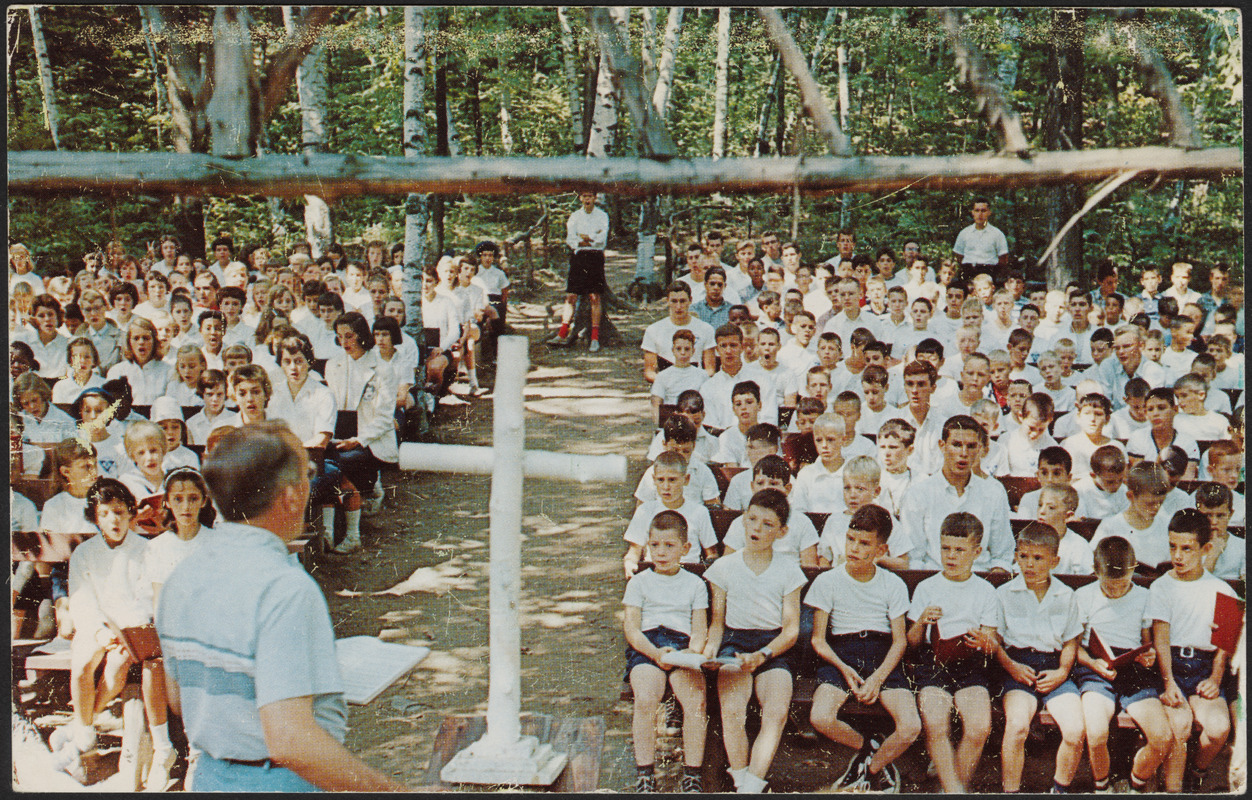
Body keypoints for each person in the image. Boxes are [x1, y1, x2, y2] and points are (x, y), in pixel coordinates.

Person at [153, 422, 405, 791]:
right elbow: (292, 742)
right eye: (308, 475)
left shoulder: (180, 578)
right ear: (290, 496)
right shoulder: (284, 589)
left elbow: (179, 698)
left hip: (212, 776)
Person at [56, 478, 175, 789]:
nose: (114, 520)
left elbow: (145, 597)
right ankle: (84, 734)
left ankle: (84, 720)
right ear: (96, 517)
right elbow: (81, 599)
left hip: (130, 628)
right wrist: (98, 632)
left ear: (131, 514)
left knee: (118, 665)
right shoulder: (84, 552)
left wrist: (122, 632)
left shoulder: (145, 549)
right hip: (96, 626)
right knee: (82, 665)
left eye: (120, 512)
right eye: (106, 513)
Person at [807, 504, 920, 792]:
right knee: (820, 716)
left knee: (910, 727)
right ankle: (868, 746)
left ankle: (869, 769)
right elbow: (818, 639)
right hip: (840, 654)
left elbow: (900, 640)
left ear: (881, 550)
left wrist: (877, 678)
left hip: (883, 656)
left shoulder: (892, 584)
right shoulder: (827, 580)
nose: (854, 548)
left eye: (864, 543)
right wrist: (843, 669)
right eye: (850, 539)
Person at [702, 489, 806, 794]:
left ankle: (753, 785)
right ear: (743, 520)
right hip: (734, 644)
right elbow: (717, 624)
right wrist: (710, 653)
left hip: (774, 648)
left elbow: (790, 631)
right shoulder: (723, 568)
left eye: (767, 524)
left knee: (775, 711)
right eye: (751, 520)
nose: (756, 529)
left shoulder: (789, 570)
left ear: (782, 531)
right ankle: (740, 780)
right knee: (732, 710)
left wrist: (762, 655)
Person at [1071, 535, 1175, 792]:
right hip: (1095, 667)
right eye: (1110, 586)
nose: (1116, 591)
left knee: (1162, 737)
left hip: (1133, 669)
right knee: (1095, 733)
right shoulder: (1084, 596)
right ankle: (1102, 786)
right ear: (1096, 573)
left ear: (1133, 571)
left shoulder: (1143, 596)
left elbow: (1146, 643)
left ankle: (1135, 783)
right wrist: (1094, 664)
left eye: (1122, 584)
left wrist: (1147, 656)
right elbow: (1073, 647)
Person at [906, 512, 999, 793]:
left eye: (960, 550)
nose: (951, 556)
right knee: (936, 723)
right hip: (933, 663)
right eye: (946, 548)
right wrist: (922, 621)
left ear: (977, 552)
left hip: (970, 665)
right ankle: (955, 791)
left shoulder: (984, 591)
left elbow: (992, 643)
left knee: (979, 728)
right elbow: (912, 643)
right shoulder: (927, 587)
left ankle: (951, 786)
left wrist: (983, 640)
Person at [1147, 508, 1238, 792]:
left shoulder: (1223, 590)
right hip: (1170, 665)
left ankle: (1197, 771)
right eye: (1173, 547)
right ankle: (1170, 785)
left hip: (1203, 668)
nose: (1178, 556)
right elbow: (1160, 638)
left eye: (1187, 549)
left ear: (1206, 548)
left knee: (1218, 729)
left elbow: (1223, 647)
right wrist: (1168, 681)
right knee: (1179, 725)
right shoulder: (1162, 587)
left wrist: (1214, 678)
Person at [994, 522, 1086, 793]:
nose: (1029, 565)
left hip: (1054, 669)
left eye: (1038, 558)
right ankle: (1010, 790)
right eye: (1023, 556)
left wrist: (1062, 671)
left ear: (1054, 561)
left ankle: (1059, 788)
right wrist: (1012, 667)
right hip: (1017, 667)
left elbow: (1071, 641)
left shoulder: (1065, 595)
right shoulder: (1004, 594)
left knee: (1074, 729)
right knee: (1018, 726)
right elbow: (995, 642)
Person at [622, 510, 709, 793]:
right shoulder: (639, 582)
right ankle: (646, 774)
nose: (660, 552)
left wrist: (685, 655)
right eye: (655, 545)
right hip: (648, 646)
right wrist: (657, 654)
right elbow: (632, 630)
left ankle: (692, 774)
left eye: (669, 545)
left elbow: (699, 631)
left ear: (685, 548)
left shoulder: (695, 584)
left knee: (696, 701)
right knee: (646, 698)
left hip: (682, 647)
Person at [900, 415, 1014, 573]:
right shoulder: (918, 493)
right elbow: (914, 558)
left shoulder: (993, 492)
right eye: (956, 445)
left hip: (980, 580)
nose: (964, 453)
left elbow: (1002, 555)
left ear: (979, 449)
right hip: (933, 581)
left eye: (971, 446)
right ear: (942, 445)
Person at [326, 311, 398, 532]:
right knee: (322, 463)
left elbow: (385, 419)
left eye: (349, 336)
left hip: (369, 438)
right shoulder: (334, 364)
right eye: (340, 336)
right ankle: (331, 529)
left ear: (361, 335)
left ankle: (351, 530)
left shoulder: (383, 369)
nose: (344, 342)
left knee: (337, 464)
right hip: (340, 431)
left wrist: (357, 440)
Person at [622, 451, 718, 577]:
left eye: (672, 480)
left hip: (689, 574)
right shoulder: (645, 511)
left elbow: (712, 553)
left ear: (686, 479)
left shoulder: (699, 512)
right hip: (654, 571)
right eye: (660, 480)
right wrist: (630, 562)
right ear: (654, 480)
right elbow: (634, 551)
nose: (666, 486)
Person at [1090, 461, 1172, 572]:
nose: (1156, 508)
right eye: (1149, 503)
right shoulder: (1110, 526)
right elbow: (1093, 564)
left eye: (1160, 502)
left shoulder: (1168, 525)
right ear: (1131, 496)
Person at [556, 191, 609, 351]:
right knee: (571, 296)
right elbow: (570, 239)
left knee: (594, 297)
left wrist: (588, 238)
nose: (587, 199)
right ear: (580, 198)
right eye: (584, 196)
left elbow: (602, 238)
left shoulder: (602, 216)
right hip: (578, 257)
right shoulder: (575, 217)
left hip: (595, 257)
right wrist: (583, 239)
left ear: (594, 198)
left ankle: (594, 338)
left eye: (590, 196)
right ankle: (562, 332)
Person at [635, 415, 720, 507]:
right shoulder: (653, 472)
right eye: (674, 450)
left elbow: (713, 506)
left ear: (694, 446)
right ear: (665, 444)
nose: (680, 456)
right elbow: (641, 508)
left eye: (686, 451)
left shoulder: (702, 472)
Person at [642, 284, 717, 384]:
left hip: (695, 385)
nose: (678, 306)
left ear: (690, 300)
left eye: (682, 301)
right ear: (667, 301)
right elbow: (650, 372)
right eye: (674, 301)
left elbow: (710, 369)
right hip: (666, 386)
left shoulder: (706, 329)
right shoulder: (654, 330)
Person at [1195, 483, 1245, 580]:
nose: (1214, 522)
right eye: (1208, 515)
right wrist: (1213, 555)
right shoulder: (1189, 545)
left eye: (1220, 515)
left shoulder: (1243, 547)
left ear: (1230, 515)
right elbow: (1193, 588)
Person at [952, 197, 1010, 275]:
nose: (980, 214)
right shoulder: (964, 233)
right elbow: (958, 256)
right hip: (968, 272)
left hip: (989, 272)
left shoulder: (997, 234)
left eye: (983, 211)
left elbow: (1003, 259)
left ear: (989, 212)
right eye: (977, 210)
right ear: (972, 212)